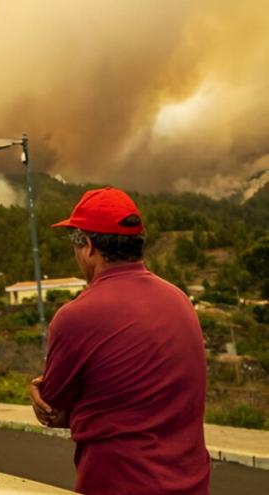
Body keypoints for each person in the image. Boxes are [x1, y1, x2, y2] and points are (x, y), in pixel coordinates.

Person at [29, 187, 209, 494]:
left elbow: (54, 409)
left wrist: (36, 390)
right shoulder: (179, 301)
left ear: (87, 246)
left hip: (119, 484)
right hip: (192, 485)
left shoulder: (76, 316)